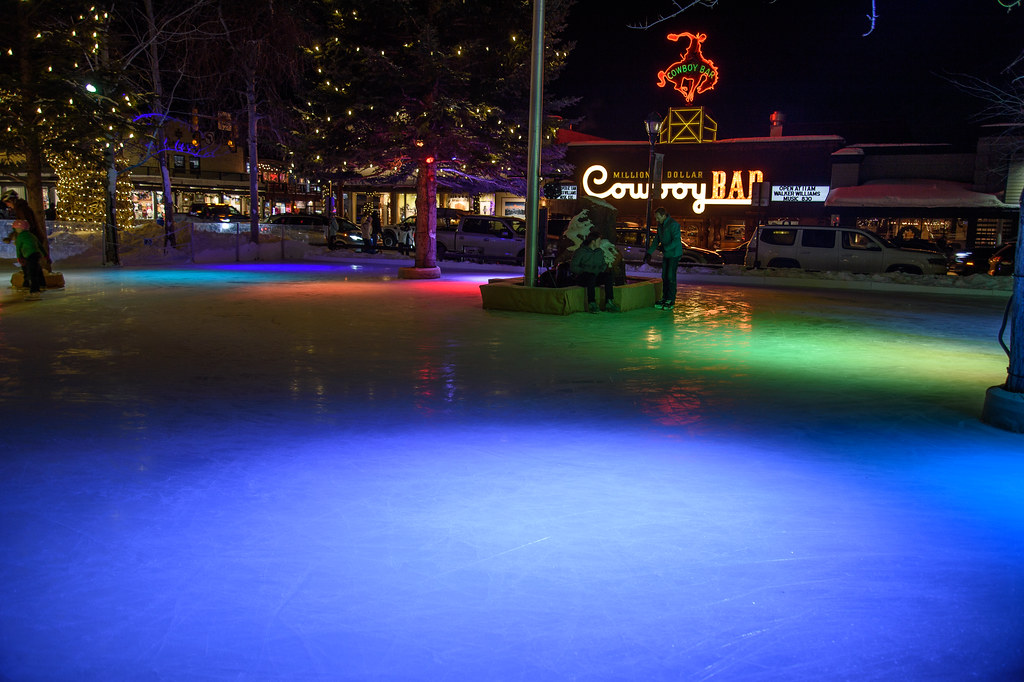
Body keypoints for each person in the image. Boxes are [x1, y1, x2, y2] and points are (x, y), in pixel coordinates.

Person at [570, 228, 619, 313]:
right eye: (598, 241)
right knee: (590, 277)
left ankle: (609, 301)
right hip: (583, 277)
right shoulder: (581, 252)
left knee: (608, 277)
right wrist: (583, 271)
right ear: (593, 241)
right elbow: (573, 266)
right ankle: (591, 303)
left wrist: (601, 270)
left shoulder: (599, 252)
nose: (600, 243)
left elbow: (603, 264)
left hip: (595, 276)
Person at [3, 189, 52, 272]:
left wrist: (13, 237)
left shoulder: (22, 209)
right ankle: (37, 280)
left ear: (11, 200)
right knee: (33, 266)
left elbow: (24, 225)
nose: (7, 205)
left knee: (31, 265)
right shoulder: (21, 208)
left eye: (7, 203)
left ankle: (32, 282)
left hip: (30, 241)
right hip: (30, 239)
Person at [644, 207, 682, 309]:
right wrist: (649, 253)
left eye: (658, 217)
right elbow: (657, 240)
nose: (656, 220)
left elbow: (677, 241)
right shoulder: (660, 225)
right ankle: (665, 297)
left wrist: (665, 247)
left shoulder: (673, 225)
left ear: (664, 215)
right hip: (667, 254)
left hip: (674, 254)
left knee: (670, 276)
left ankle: (670, 299)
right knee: (664, 276)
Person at [12, 219, 45, 300]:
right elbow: (40, 246)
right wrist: (45, 255)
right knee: (36, 270)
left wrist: (19, 257)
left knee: (32, 273)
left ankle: (34, 291)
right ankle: (41, 285)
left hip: (29, 256)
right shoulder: (31, 235)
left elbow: (18, 248)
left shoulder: (20, 237)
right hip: (36, 254)